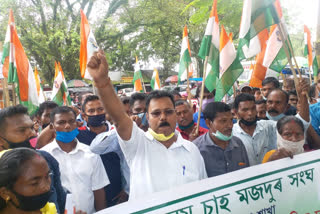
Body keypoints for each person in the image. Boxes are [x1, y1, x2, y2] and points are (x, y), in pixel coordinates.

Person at [86, 50, 207, 200]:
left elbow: (203, 195)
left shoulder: (192, 150)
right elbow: (119, 118)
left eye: (169, 112)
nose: (163, 117)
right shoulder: (137, 143)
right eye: (156, 113)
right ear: (147, 117)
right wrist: (102, 82)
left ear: (175, 114)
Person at [41, 106, 109, 213]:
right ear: (52, 126)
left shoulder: (91, 153)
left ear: (77, 124)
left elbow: (99, 190)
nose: (67, 126)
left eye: (71, 121)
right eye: (61, 122)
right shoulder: (44, 156)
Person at [0, 105, 66, 213]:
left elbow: (60, 200)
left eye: (31, 128)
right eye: (22, 130)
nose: (32, 134)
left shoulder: (46, 158)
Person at [193, 102, 249, 177]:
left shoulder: (238, 144)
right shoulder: (196, 149)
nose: (230, 125)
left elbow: (247, 174)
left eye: (231, 120)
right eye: (223, 121)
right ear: (208, 123)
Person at [0, 148, 57, 214]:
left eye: (47, 177)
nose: (46, 187)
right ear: (5, 193)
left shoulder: (49, 210)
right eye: (34, 183)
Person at [233, 93, 277, 166]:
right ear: (236, 112)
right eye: (245, 110)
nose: (250, 113)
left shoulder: (268, 126)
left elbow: (296, 122)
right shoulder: (231, 133)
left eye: (253, 108)